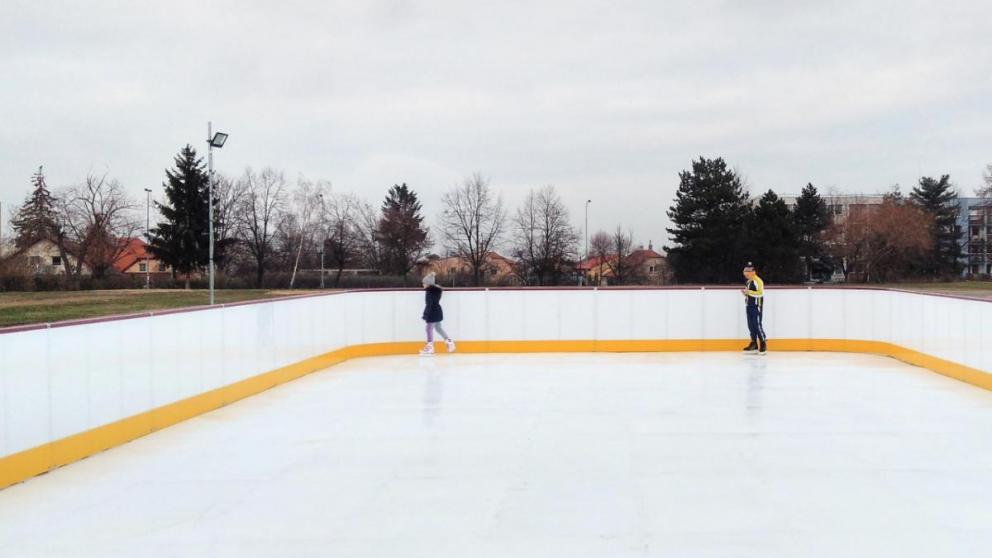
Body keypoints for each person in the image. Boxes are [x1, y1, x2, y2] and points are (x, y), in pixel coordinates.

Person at [420, 272, 455, 355]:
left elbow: (429, 304)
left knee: (428, 329)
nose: (423, 285)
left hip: (432, 312)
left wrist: (426, 315)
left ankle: (430, 347)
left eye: (424, 283)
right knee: (438, 328)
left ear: (428, 284)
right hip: (437, 311)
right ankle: (449, 342)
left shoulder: (429, 292)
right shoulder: (435, 291)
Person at [741, 263, 767, 355]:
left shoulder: (758, 281)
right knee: (751, 325)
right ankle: (754, 343)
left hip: (756, 306)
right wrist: (745, 293)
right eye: (745, 270)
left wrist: (749, 292)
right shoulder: (748, 281)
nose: (746, 272)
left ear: (754, 272)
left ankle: (763, 343)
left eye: (748, 271)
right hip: (749, 305)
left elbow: (760, 293)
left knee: (757, 325)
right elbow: (750, 294)